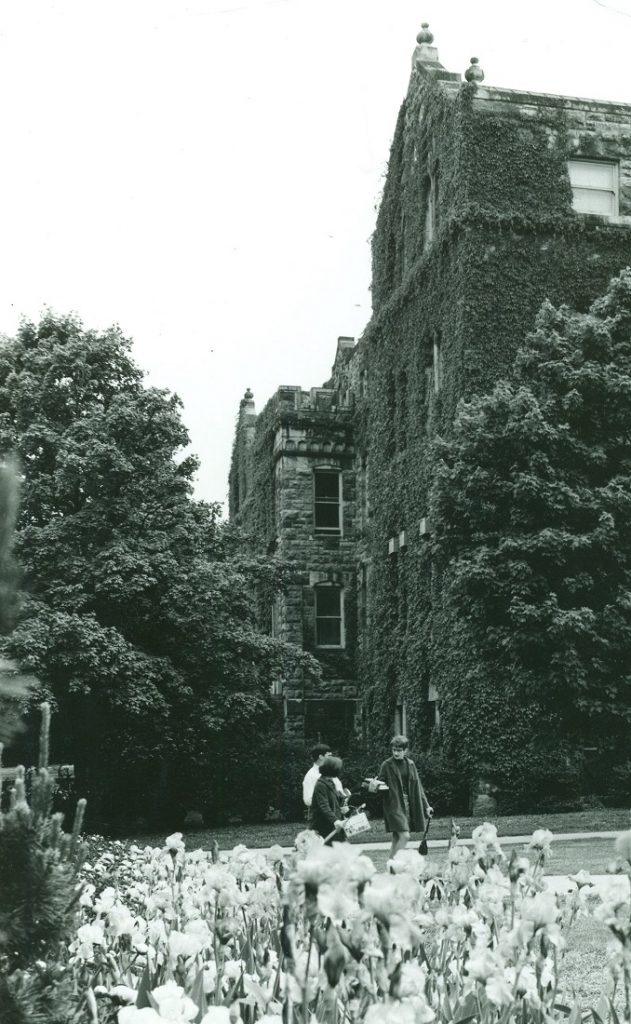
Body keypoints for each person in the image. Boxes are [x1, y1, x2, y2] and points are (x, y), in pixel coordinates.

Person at [369, 734, 433, 858]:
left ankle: (390, 867)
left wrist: (427, 806)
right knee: (405, 835)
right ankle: (395, 864)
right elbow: (379, 784)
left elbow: (418, 786)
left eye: (399, 750)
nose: (396, 753)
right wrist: (374, 785)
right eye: (394, 750)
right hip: (393, 804)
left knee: (396, 838)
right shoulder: (386, 765)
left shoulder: (411, 764)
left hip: (409, 803)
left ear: (405, 750)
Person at [309, 755, 347, 844]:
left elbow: (334, 801)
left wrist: (342, 808)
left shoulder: (330, 782)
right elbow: (324, 806)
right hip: (324, 826)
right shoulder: (320, 785)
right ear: (332, 769)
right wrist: (335, 820)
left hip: (333, 824)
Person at [302, 742, 347, 810]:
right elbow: (308, 800)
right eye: (329, 756)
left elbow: (339, 793)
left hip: (337, 814)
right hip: (321, 816)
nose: (332, 758)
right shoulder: (310, 776)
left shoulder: (330, 772)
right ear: (320, 757)